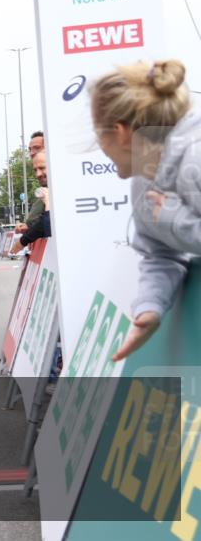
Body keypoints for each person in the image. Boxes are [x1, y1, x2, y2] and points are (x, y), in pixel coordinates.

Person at [87, 60, 200, 361]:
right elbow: (161, 251)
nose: (99, 147)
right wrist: (150, 306)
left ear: (121, 133)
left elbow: (174, 227)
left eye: (99, 135)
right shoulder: (144, 181)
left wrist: (176, 219)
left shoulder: (196, 157)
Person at [12, 152, 51, 254]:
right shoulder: (45, 193)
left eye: (42, 168)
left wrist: (22, 242)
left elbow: (46, 223)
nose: (38, 174)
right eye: (35, 170)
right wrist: (27, 226)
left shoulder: (57, 193)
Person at [16, 131, 47, 236]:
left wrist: (24, 239)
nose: (32, 152)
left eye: (37, 148)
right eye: (30, 149)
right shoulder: (44, 189)